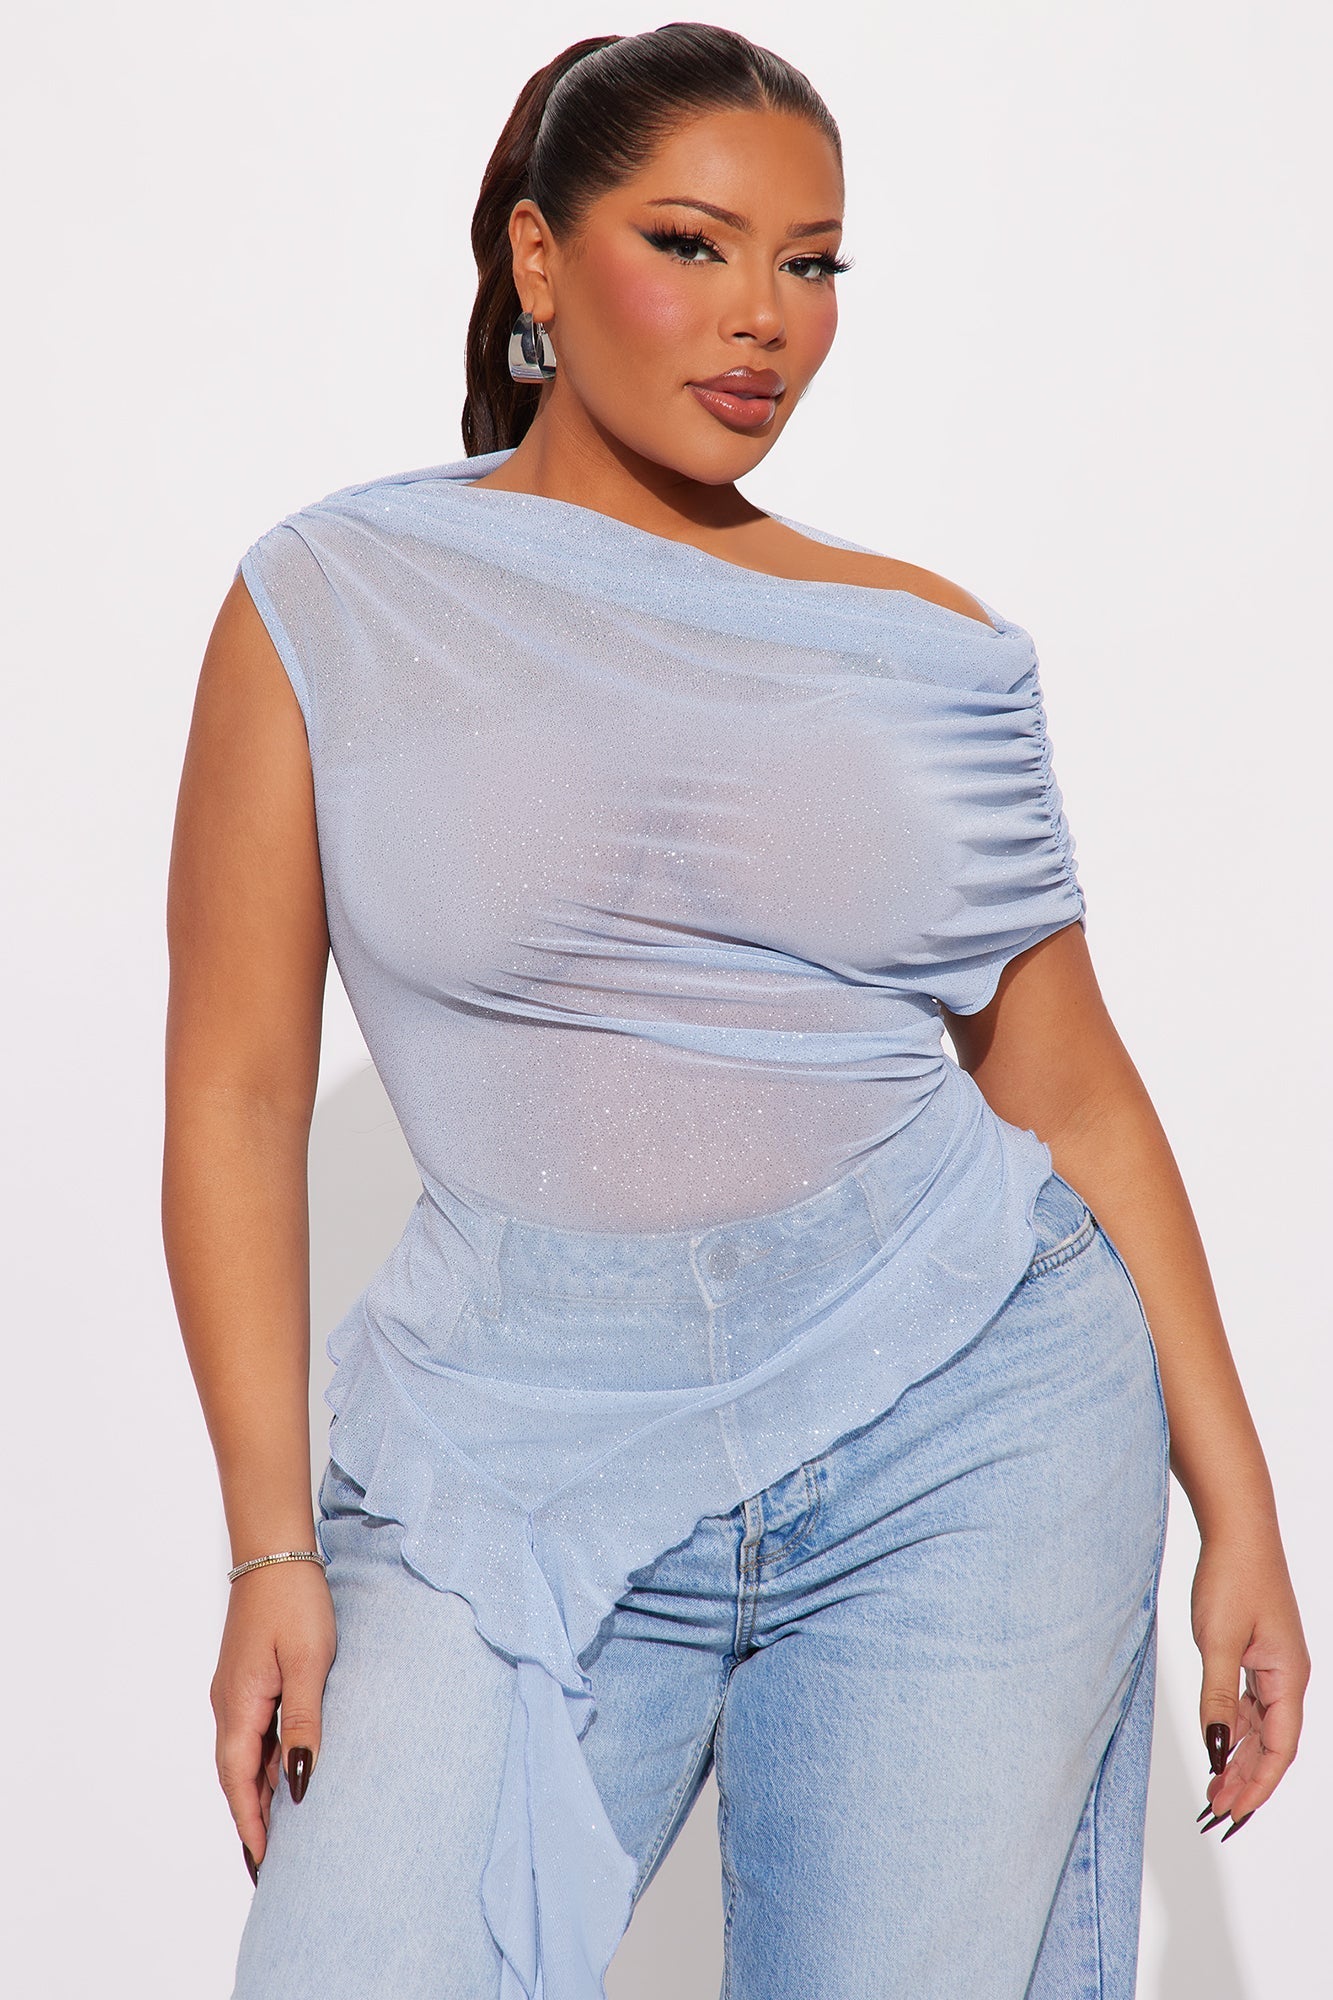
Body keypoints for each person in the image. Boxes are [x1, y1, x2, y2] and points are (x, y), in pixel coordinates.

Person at [163, 24, 1309, 2000]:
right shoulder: (333, 600)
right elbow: (238, 1094)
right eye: (691, 245)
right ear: (537, 258)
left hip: (967, 1422)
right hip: (506, 1450)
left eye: (811, 262)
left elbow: (1072, 1097)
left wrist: (1244, 1513)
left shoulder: (920, 647)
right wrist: (271, 1547)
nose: (763, 318)